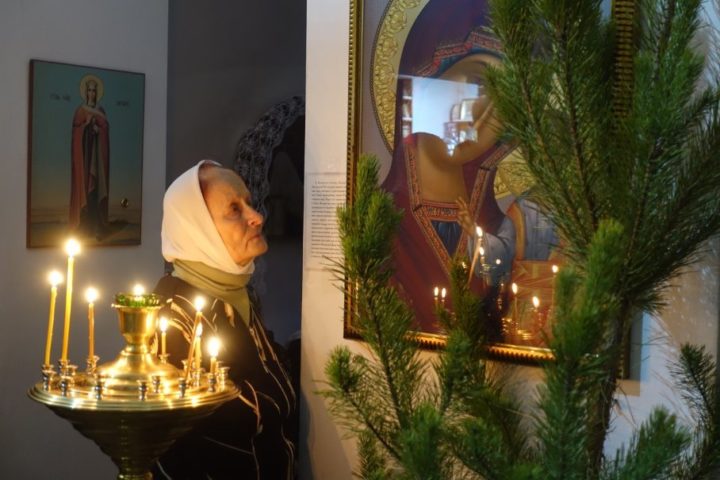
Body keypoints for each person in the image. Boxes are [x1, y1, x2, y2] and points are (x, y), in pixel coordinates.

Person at [153, 160, 296, 480]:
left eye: (249, 202)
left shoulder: (238, 298)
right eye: (234, 209)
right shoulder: (172, 317)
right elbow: (201, 439)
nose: (256, 216)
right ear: (197, 230)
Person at [381, 0, 515, 333]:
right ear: (424, 80)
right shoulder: (379, 222)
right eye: (479, 84)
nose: (484, 118)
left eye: (506, 103)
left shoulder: (498, 232)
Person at [70, 74, 110, 238]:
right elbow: (76, 130)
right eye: (89, 91)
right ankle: (84, 224)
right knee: (86, 187)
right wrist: (86, 126)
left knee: (96, 189)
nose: (91, 94)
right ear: (86, 92)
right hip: (85, 159)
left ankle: (97, 224)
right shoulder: (80, 111)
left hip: (96, 159)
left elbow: (105, 130)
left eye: (94, 91)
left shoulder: (100, 111)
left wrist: (98, 130)